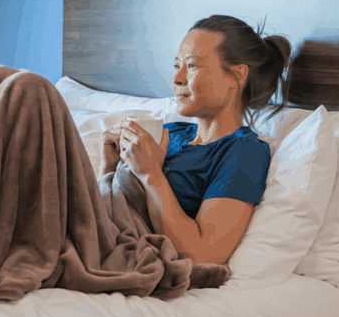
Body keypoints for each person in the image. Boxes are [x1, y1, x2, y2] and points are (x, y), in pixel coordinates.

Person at [100, 15, 291, 266]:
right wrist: (109, 166)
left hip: (120, 247)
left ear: (236, 76)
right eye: (176, 65)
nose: (177, 78)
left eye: (191, 66)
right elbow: (109, 205)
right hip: (96, 230)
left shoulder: (243, 152)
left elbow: (203, 254)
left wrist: (151, 174)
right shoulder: (168, 132)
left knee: (45, 100)